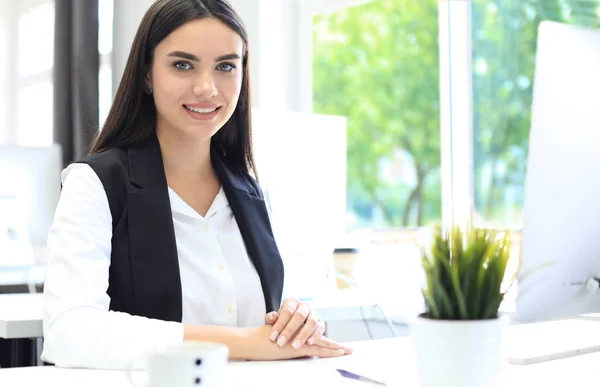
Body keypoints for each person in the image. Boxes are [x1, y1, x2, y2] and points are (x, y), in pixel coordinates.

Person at [41, 0, 352, 369]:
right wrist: (243, 342)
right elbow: (69, 332)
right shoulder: (95, 184)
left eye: (225, 66)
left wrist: (294, 324)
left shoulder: (250, 193)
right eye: (182, 65)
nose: (207, 87)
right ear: (147, 74)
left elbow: (262, 322)